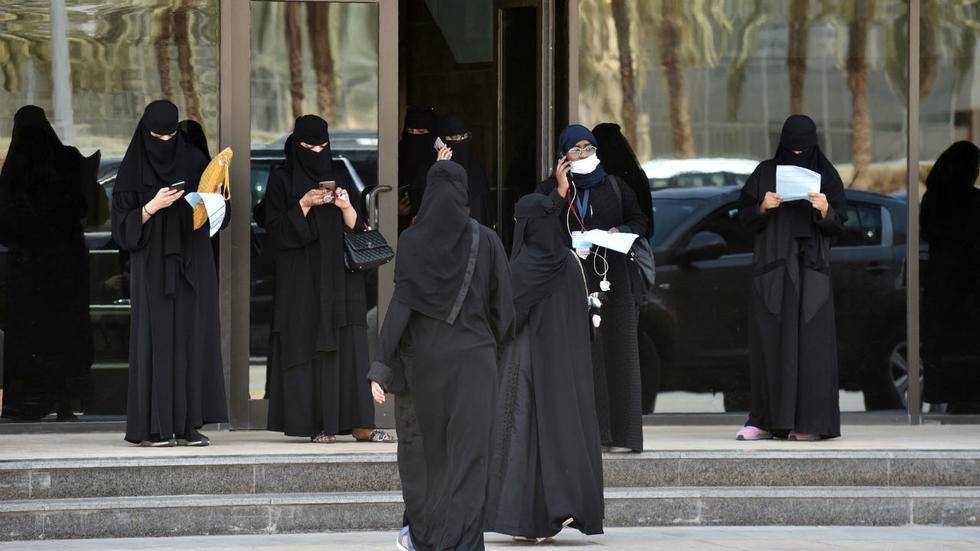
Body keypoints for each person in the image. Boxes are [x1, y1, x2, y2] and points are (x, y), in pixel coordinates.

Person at [368, 155, 514, 551]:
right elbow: (505, 313)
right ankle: (464, 544)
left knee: (428, 460)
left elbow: (401, 305)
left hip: (426, 369)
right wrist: (487, 347)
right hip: (475, 367)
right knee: (469, 461)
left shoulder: (413, 241)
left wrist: (381, 366)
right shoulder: (487, 239)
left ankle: (427, 538)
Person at [263, 114, 394, 444]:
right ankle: (318, 424)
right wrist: (304, 204)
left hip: (340, 277)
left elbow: (358, 226)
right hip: (302, 280)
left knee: (349, 345)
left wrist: (346, 206)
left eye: (323, 146)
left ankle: (360, 422)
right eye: (310, 147)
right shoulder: (281, 179)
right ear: (297, 145)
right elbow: (275, 232)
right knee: (309, 346)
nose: (317, 152)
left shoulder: (336, 173)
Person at [486, 193, 604, 542]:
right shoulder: (569, 262)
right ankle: (556, 513)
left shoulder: (527, 264)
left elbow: (506, 315)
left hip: (528, 365)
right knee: (559, 439)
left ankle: (529, 521)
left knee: (523, 438)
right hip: (566, 371)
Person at [111, 100, 228, 446]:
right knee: (156, 342)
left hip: (192, 263)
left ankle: (189, 425)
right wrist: (151, 207)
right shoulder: (133, 169)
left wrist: (216, 200)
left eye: (170, 134)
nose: (164, 140)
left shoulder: (193, 160)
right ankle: (154, 427)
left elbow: (222, 217)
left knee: (192, 341)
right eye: (156, 135)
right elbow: (122, 228)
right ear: (146, 132)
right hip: (152, 268)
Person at [536, 124, 648, 453]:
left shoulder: (615, 186)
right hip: (570, 282)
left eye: (588, 148)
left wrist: (620, 230)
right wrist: (558, 190)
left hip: (613, 280)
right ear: (563, 157)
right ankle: (587, 436)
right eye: (576, 150)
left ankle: (623, 436)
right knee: (580, 358)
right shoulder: (551, 189)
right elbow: (537, 228)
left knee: (619, 354)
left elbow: (641, 221)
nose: (584, 155)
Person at [736, 114, 846, 441]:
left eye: (804, 149)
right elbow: (741, 219)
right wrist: (762, 207)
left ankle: (810, 423)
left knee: (812, 348)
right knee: (770, 344)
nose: (797, 154)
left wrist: (826, 209)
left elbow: (841, 224)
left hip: (812, 272)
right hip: (774, 270)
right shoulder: (765, 173)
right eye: (792, 149)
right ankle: (765, 421)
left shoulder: (826, 175)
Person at [0, 105, 98, 421]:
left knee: (31, 334)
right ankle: (66, 400)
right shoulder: (68, 161)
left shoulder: (13, 172)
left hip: (28, 270)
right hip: (66, 267)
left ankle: (30, 400)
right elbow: (88, 209)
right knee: (64, 333)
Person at [920, 141, 980, 413]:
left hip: (942, 282)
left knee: (943, 343)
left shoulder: (933, 198)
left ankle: (945, 397)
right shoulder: (972, 200)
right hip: (967, 285)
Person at [592, 122, 654, 238]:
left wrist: (623, 230)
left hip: (622, 244)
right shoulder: (634, 174)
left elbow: (641, 220)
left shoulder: (614, 179)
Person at [436, 114, 495, 228]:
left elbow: (483, 211)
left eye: (464, 137)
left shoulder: (476, 169)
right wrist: (439, 169)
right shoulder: (436, 170)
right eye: (454, 138)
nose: (460, 142)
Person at [398, 106, 437, 230]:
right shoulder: (396, 157)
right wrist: (394, 210)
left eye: (421, 132)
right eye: (410, 131)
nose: (414, 137)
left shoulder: (438, 163)